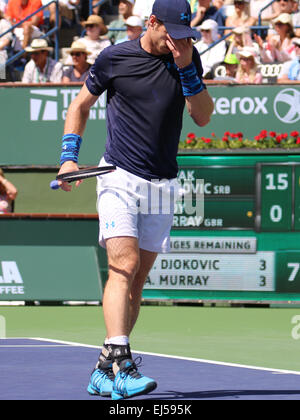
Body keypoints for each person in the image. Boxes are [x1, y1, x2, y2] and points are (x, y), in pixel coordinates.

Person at [56, 0, 214, 401]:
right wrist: (69, 158)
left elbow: (203, 116)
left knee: (137, 281)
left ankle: (102, 370)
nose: (178, 42)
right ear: (153, 22)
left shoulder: (186, 60)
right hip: (118, 178)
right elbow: (80, 105)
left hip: (162, 184)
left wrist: (186, 69)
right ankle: (122, 363)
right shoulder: (114, 58)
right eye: (172, 34)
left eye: (185, 35)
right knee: (122, 265)